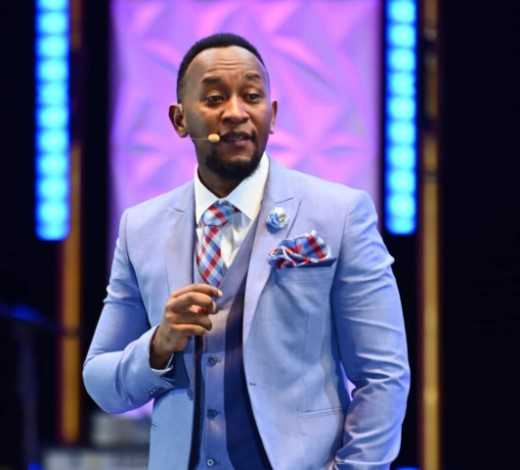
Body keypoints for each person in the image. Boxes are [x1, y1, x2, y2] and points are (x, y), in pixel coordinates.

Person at [83, 33, 410, 470]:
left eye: (252, 97)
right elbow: (101, 380)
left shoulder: (340, 214)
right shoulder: (141, 228)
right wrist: (158, 346)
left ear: (271, 115)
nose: (236, 112)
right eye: (215, 98)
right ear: (179, 120)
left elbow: (384, 375)